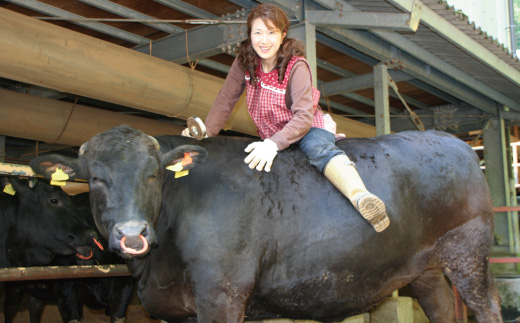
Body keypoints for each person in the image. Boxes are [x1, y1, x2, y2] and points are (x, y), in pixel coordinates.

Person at [182, 3, 389, 232]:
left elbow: (303, 116)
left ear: (282, 35)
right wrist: (204, 131)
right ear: (250, 34)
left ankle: (361, 197)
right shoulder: (244, 62)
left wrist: (273, 143)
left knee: (318, 148)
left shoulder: (296, 66)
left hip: (306, 128)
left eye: (271, 32)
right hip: (272, 135)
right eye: (257, 32)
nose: (264, 40)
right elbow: (226, 98)